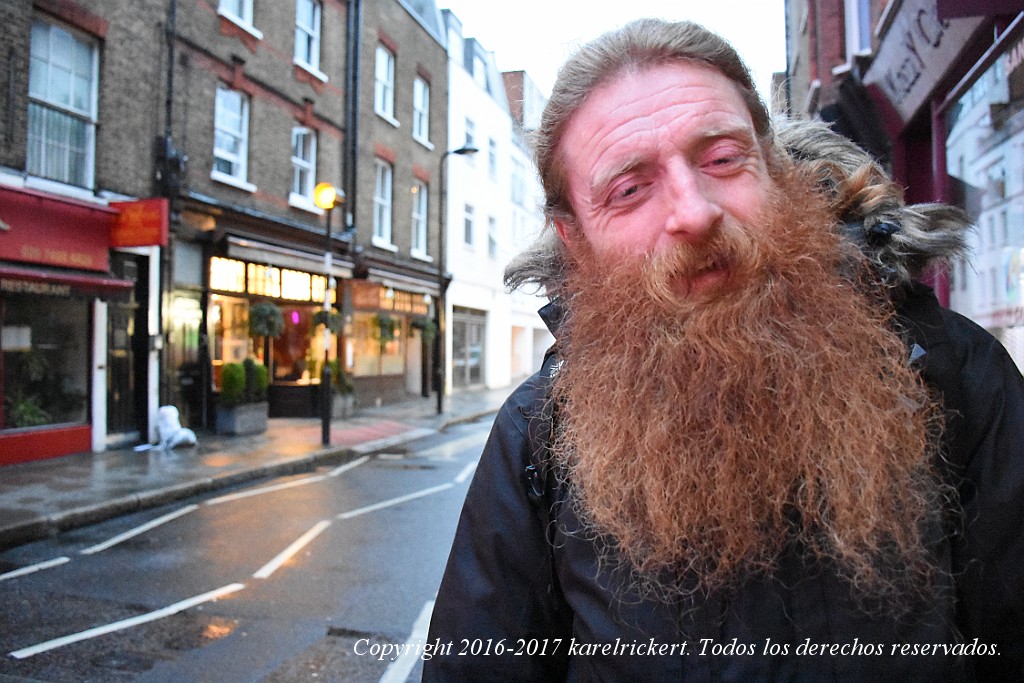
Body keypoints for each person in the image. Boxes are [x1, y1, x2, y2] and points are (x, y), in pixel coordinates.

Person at [423, 18, 1024, 682]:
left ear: (776, 170)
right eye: (629, 189)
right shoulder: (538, 435)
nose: (695, 210)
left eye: (722, 159)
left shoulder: (951, 372)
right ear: (575, 240)